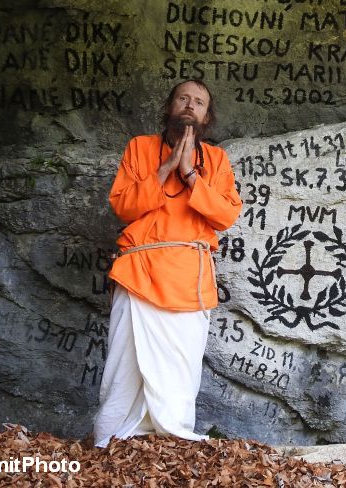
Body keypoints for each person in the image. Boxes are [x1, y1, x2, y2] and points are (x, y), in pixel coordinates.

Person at [93, 79, 242, 447]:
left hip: (188, 278)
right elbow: (123, 205)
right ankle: (112, 440)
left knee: (179, 370)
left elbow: (225, 215)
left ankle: (169, 442)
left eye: (199, 102)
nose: (190, 106)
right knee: (124, 369)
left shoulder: (217, 160)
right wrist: (165, 168)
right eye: (183, 99)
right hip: (138, 273)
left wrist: (190, 173)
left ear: (207, 116)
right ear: (169, 106)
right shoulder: (140, 148)